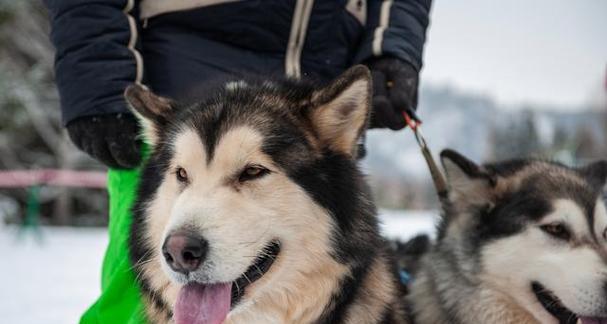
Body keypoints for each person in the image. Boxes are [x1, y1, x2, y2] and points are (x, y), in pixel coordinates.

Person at [44, 0, 432, 322]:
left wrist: (391, 47)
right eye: (182, 176)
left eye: (251, 172)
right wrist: (96, 77)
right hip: (170, 81)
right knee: (130, 305)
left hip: (320, 76)